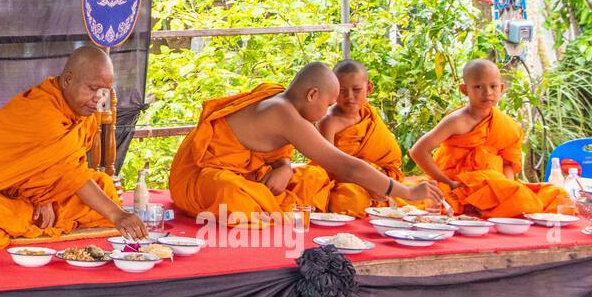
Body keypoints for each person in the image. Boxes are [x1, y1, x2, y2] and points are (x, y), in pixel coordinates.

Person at [168, 62, 444, 225]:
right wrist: (405, 193)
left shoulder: (280, 97)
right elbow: (344, 165)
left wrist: (285, 166)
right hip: (199, 179)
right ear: (312, 94)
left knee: (309, 178)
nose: (327, 112)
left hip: (242, 171)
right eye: (327, 104)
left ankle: (269, 207)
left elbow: (272, 149)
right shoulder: (283, 113)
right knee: (231, 194)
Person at [0, 45, 147, 248]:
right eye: (93, 89)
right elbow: (69, 172)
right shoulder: (43, 111)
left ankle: (34, 215)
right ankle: (32, 215)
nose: (99, 98)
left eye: (104, 91)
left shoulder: (83, 111)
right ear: (68, 80)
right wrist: (118, 215)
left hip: (35, 190)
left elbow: (59, 165)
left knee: (105, 187)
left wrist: (47, 198)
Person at [409, 58, 572, 218]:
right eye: (478, 87)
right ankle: (479, 209)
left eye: (493, 86)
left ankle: (486, 208)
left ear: (501, 88)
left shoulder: (506, 125)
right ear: (465, 90)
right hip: (454, 184)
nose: (487, 93)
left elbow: (508, 163)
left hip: (490, 185)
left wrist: (506, 188)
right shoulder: (456, 121)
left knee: (553, 195)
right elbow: (418, 151)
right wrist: (447, 182)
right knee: (423, 200)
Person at [294, 60, 408, 217]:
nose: (349, 97)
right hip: (346, 181)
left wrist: (379, 179)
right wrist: (369, 184)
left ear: (369, 88)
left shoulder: (368, 114)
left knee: (415, 195)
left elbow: (388, 157)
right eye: (342, 91)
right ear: (332, 90)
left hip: (377, 178)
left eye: (356, 90)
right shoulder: (329, 121)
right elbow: (330, 166)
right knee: (349, 200)